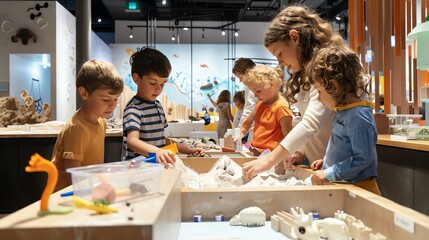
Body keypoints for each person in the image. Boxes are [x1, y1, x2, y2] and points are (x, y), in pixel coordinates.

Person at [242, 4, 341, 179]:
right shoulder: (307, 74)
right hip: (319, 168)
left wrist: (269, 161)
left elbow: (311, 123)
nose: (280, 62)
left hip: (339, 170)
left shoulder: (329, 68)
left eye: (280, 53)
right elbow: (307, 121)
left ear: (294, 38)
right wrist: (300, 152)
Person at [307, 43, 380, 195]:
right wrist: (328, 163)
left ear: (334, 86)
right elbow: (344, 147)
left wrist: (330, 172)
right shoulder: (343, 111)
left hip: (360, 189)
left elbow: (363, 158)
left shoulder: (358, 115)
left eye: (319, 91)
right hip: (346, 185)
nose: (319, 99)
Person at [123, 47, 203, 167]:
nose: (158, 89)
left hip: (156, 167)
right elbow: (132, 141)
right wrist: (157, 151)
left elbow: (160, 139)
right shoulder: (134, 109)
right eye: (153, 83)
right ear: (137, 79)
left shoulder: (157, 106)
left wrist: (183, 148)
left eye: (162, 84)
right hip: (139, 169)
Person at [52, 59, 124, 191]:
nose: (113, 105)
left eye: (116, 99)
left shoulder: (101, 121)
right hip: (68, 193)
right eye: (106, 99)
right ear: (84, 93)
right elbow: (72, 176)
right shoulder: (77, 129)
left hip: (88, 188)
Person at [239, 65, 293, 173]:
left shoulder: (281, 107)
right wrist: (240, 133)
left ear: (272, 84)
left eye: (258, 91)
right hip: (255, 152)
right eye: (253, 92)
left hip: (272, 158)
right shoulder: (260, 104)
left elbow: (288, 136)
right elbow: (248, 120)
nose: (255, 95)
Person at [232, 58, 259, 142]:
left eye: (240, 77)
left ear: (248, 72)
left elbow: (249, 109)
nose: (240, 80)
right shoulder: (252, 85)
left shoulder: (252, 86)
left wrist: (240, 131)